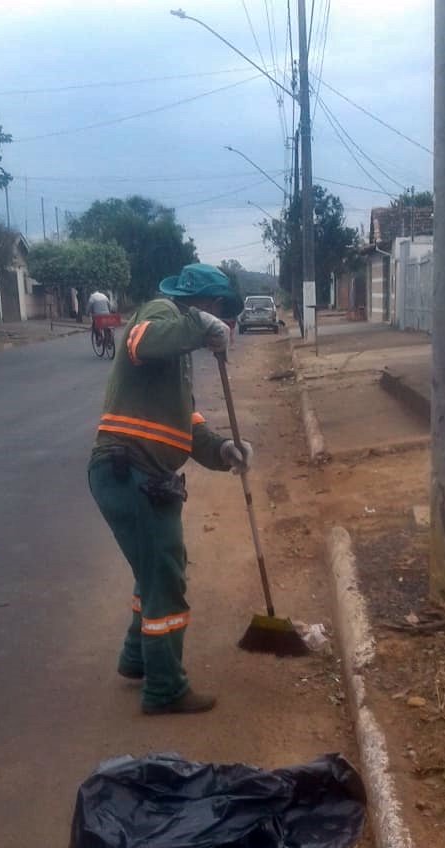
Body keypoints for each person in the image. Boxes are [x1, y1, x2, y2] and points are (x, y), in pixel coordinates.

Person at [88, 262, 252, 716]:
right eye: (219, 312)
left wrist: (222, 450)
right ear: (206, 304)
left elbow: (187, 424)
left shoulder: (175, 361)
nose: (224, 322)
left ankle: (137, 658)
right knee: (165, 579)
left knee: (155, 568)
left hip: (139, 476)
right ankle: (164, 689)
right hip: (129, 472)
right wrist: (197, 327)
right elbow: (140, 342)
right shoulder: (157, 314)